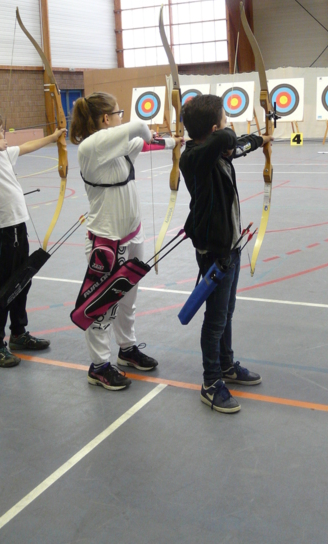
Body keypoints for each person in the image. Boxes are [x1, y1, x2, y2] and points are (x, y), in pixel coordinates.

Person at [70, 92, 182, 391]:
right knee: (103, 305)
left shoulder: (115, 145)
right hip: (106, 242)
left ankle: (127, 348)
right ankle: (99, 366)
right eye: (118, 113)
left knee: (128, 299)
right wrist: (150, 134)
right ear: (106, 118)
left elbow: (144, 143)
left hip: (133, 235)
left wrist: (174, 142)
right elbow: (141, 128)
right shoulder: (91, 146)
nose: (122, 117)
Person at [180, 94, 274, 414]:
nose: (228, 123)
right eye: (224, 118)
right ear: (214, 128)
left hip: (231, 247)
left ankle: (226, 364)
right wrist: (226, 133)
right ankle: (210, 382)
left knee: (226, 312)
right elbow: (228, 138)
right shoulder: (193, 157)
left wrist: (262, 139)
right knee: (216, 318)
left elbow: (236, 145)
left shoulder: (216, 151)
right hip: (214, 252)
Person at [0, 108, 65, 368]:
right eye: (1, 131)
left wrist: (53, 137)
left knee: (22, 282)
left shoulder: (4, 154)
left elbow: (28, 146)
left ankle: (19, 333)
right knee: (2, 290)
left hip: (19, 227)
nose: (5, 135)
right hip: (1, 233)